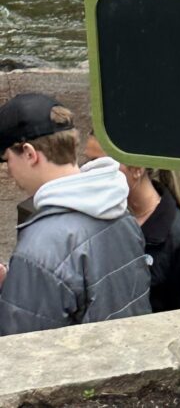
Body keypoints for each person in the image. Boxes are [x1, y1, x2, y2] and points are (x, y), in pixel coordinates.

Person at [0, 93, 151, 335]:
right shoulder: (121, 214)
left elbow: (20, 350)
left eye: (7, 159)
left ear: (29, 153)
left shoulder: (39, 249)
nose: (8, 171)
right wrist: (14, 280)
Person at [84, 133, 180, 312]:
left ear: (136, 168)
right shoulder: (102, 221)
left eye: (101, 165)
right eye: (87, 164)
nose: (89, 175)